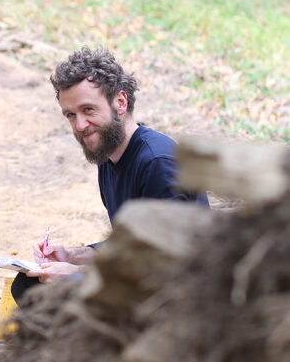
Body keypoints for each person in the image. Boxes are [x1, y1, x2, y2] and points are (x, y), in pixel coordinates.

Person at [12, 46, 208, 302]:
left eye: (88, 110)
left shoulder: (158, 162)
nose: (79, 125)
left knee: (65, 288)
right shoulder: (109, 157)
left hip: (187, 300)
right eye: (70, 115)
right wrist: (72, 255)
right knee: (29, 285)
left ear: (120, 102)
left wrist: (77, 274)